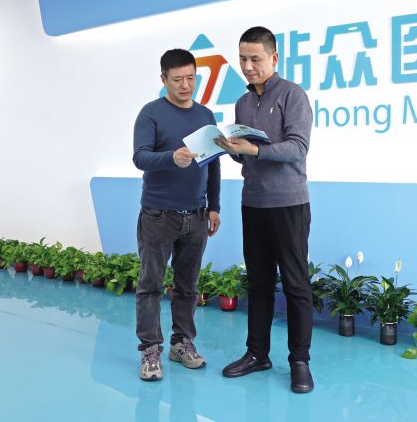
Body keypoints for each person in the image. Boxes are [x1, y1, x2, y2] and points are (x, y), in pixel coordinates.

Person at [215, 26, 314, 393]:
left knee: (296, 284)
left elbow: (298, 148)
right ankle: (257, 353)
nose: (248, 66)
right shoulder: (243, 103)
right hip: (253, 202)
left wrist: (255, 149)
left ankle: (300, 361)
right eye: (242, 59)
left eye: (255, 59)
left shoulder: (293, 95)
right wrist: (229, 149)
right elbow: (248, 157)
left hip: (288, 203)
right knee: (258, 283)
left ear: (274, 58)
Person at [132, 48, 221, 381]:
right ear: (163, 79)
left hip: (196, 216)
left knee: (188, 286)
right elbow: (140, 157)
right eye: (177, 79)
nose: (185, 86)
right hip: (158, 215)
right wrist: (171, 157)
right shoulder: (151, 113)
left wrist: (214, 206)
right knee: (151, 286)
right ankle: (150, 350)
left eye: (191, 78)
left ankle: (182, 343)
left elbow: (213, 165)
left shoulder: (206, 115)